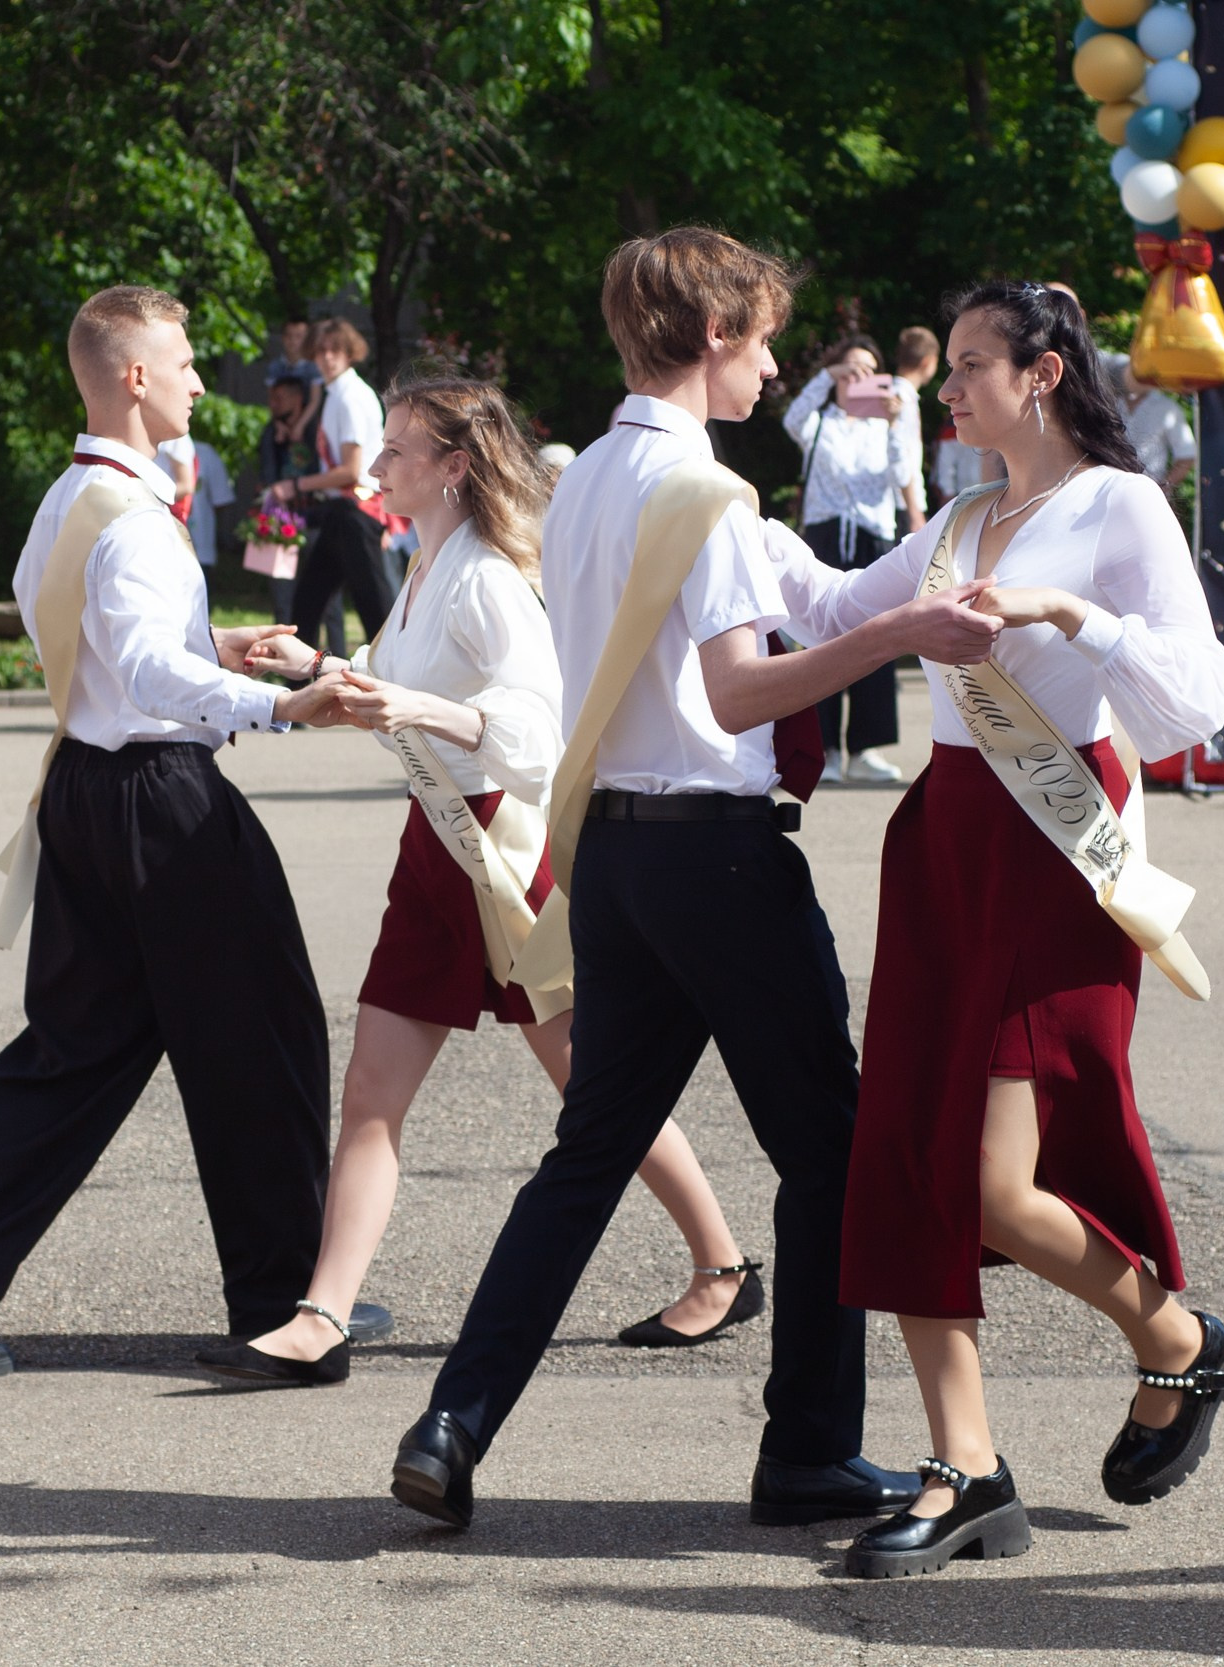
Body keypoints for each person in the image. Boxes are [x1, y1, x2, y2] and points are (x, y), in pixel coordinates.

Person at [387, 227, 1002, 1533]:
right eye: (764, 337)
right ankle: (808, 1453)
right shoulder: (706, 498)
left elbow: (824, 595)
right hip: (718, 853)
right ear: (714, 337)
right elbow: (751, 679)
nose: (775, 364)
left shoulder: (598, 478)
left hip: (614, 854)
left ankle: (454, 1419)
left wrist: (964, 523)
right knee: (827, 1149)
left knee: (587, 1152)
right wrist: (912, 631)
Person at [763, 281, 1224, 1578]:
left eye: (973, 363)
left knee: (991, 1175)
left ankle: (1181, 1340)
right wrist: (697, 515)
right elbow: (825, 612)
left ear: (1042, 373)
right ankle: (964, 1463)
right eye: (953, 365)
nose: (951, 386)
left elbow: (1195, 698)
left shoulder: (1117, 505)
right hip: (947, 844)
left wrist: (1072, 614)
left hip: (1055, 842)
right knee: (907, 1150)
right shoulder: (963, 516)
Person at [212, 376, 763, 1385]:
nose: (375, 466)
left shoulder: (486, 578)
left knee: (594, 1087)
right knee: (372, 1091)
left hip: (506, 852)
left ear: (453, 467)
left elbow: (532, 730)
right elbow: (396, 689)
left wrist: (413, 707)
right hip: (435, 848)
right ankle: (321, 1313)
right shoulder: (423, 565)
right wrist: (310, 669)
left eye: (397, 450)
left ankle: (722, 1262)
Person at [0, 284, 347, 1380]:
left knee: (72, 1046)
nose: (196, 381)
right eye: (181, 362)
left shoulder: (68, 497)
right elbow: (140, 668)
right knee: (262, 1031)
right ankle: (284, 1298)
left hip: (87, 790)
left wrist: (206, 639)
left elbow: (76, 625)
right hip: (159, 799)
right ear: (133, 376)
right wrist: (279, 701)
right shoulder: (133, 517)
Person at [784, 334, 919, 785]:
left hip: (873, 537)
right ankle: (824, 749)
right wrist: (826, 376)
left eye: (869, 370)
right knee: (821, 640)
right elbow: (792, 417)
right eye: (850, 370)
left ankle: (866, 749)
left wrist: (896, 424)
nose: (859, 378)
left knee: (877, 637)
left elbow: (903, 475)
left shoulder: (886, 426)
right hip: (825, 535)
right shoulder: (819, 422)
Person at [270, 318, 396, 648]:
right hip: (341, 512)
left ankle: (396, 682)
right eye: (322, 350)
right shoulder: (337, 394)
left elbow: (351, 471)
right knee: (306, 607)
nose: (328, 357)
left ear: (350, 353)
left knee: (376, 611)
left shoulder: (349, 396)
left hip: (356, 512)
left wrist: (295, 486)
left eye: (336, 350)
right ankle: (299, 682)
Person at [259, 374, 345, 652]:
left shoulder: (315, 432)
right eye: (271, 398)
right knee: (283, 595)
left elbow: (325, 470)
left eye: (279, 398)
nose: (273, 404)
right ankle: (285, 657)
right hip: (282, 523)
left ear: (298, 399)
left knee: (330, 600)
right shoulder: (270, 434)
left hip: (317, 519)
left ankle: (337, 659)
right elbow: (267, 475)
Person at [1120, 361, 1197, 500]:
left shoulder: (1167, 408)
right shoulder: (1112, 403)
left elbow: (1187, 455)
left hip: (1148, 494)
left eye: (1137, 374)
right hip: (1113, 491)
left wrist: (1163, 488)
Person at [893, 327, 938, 534]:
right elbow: (902, 455)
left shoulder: (893, 393)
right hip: (903, 504)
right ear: (927, 361)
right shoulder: (902, 398)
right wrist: (914, 511)